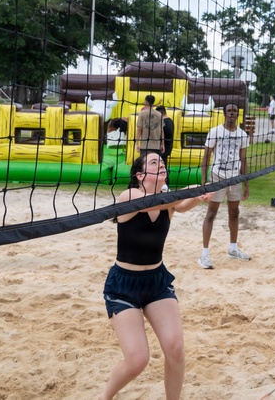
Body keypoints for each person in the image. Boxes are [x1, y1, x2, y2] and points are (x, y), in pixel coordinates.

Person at [99, 153, 210, 400]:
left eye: (162, 162)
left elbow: (179, 205)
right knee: (138, 360)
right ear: (140, 175)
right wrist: (190, 191)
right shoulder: (129, 196)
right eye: (153, 163)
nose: (161, 164)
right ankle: (105, 397)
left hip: (156, 282)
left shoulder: (168, 203)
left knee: (176, 348)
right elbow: (163, 202)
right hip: (123, 286)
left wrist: (200, 193)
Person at [198, 103, 251, 269]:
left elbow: (243, 160)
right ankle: (204, 254)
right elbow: (206, 156)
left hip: (234, 178)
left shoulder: (242, 135)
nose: (232, 114)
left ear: (237, 114)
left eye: (234, 111)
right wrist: (203, 181)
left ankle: (233, 249)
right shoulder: (215, 132)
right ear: (224, 114)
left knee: (234, 213)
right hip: (217, 177)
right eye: (229, 111)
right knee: (211, 214)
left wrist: (246, 183)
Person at [136, 95, 164, 159]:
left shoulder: (142, 113)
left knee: (145, 165)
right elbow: (162, 131)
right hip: (156, 146)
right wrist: (162, 144)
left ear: (145, 101)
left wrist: (136, 143)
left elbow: (139, 129)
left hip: (145, 146)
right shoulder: (159, 114)